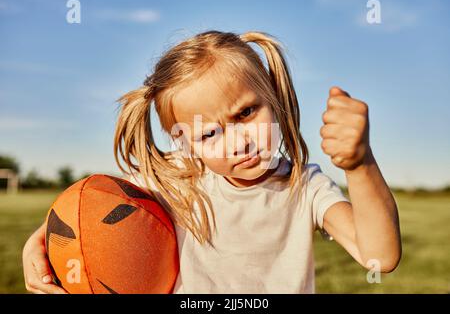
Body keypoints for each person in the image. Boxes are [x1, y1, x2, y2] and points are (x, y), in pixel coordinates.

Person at [22, 30, 401, 294]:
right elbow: (87, 209)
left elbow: (379, 257)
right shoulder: (172, 179)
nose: (239, 142)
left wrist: (359, 164)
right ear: (185, 143)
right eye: (208, 134)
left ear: (274, 96)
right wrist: (39, 243)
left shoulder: (304, 187)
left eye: (246, 112)